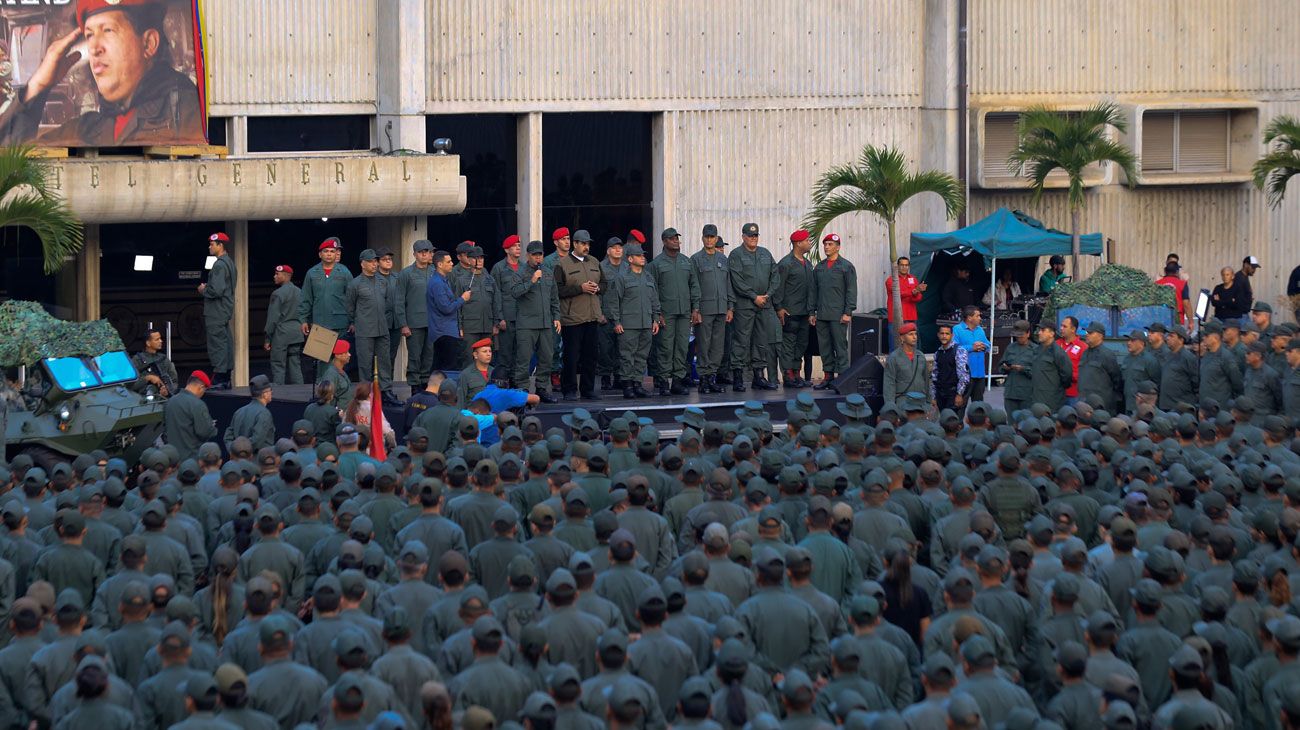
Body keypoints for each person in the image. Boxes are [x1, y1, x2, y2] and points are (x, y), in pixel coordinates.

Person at [0, 0, 203, 146]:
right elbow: (11, 167)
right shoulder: (87, 129)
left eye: (108, 31)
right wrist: (37, 86)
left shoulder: (186, 111)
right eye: (89, 35)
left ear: (148, 44)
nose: (94, 48)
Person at [553, 229, 605, 400]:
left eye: (588, 243)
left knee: (590, 356)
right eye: (583, 243)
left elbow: (605, 284)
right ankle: (569, 390)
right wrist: (579, 288)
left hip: (592, 316)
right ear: (575, 244)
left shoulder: (595, 262)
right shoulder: (562, 264)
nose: (586, 246)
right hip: (572, 318)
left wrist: (598, 288)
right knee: (571, 357)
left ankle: (588, 389)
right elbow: (558, 290)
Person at [728, 222, 780, 392]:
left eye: (756, 236)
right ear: (743, 237)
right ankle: (738, 377)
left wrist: (767, 295)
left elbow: (775, 275)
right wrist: (753, 296)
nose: (753, 238)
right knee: (741, 341)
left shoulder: (765, 253)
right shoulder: (736, 255)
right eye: (750, 236)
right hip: (745, 305)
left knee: (760, 341)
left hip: (764, 304)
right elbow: (736, 280)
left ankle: (759, 376)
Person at [649, 228, 701, 396]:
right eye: (672, 239)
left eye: (677, 238)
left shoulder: (686, 262)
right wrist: (657, 314)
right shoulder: (656, 264)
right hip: (667, 313)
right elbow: (652, 291)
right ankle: (663, 381)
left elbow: (694, 285)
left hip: (684, 312)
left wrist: (695, 308)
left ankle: (677, 381)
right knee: (665, 348)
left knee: (681, 347)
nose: (676, 241)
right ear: (664, 241)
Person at [509, 240, 561, 403]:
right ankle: (523, 389)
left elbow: (554, 297)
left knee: (547, 357)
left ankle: (541, 388)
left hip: (545, 323)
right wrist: (531, 281)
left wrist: (557, 317)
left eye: (540, 255)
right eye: (535, 255)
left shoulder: (547, 272)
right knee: (523, 358)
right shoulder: (520, 273)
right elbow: (515, 292)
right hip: (527, 324)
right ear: (528, 255)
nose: (538, 258)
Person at [608, 243, 661, 399]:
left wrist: (656, 319)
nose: (642, 258)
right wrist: (616, 322)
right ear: (630, 259)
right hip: (628, 324)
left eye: (643, 255)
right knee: (627, 356)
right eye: (638, 256)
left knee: (641, 356)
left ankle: (637, 384)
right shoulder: (622, 278)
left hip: (646, 323)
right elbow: (614, 301)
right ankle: (627, 385)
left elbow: (654, 300)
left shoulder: (648, 277)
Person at [299, 237, 354, 379]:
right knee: (321, 360)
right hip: (320, 323)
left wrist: (353, 321)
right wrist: (303, 320)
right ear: (320, 254)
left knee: (340, 358)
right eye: (326, 251)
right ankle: (322, 390)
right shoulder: (312, 273)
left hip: (340, 323)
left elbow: (352, 298)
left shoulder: (344, 272)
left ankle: (339, 388)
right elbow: (306, 298)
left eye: (332, 251)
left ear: (336, 253)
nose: (329, 254)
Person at [346, 249, 395, 403]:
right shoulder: (355, 284)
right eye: (371, 262)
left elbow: (387, 302)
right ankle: (365, 394)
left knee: (385, 362)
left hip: (382, 328)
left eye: (375, 261)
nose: (374, 265)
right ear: (362, 263)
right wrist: (355, 322)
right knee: (365, 364)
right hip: (365, 329)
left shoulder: (382, 281)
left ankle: (385, 391)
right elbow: (349, 307)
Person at [810, 232, 856, 390]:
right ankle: (828, 377)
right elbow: (813, 291)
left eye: (830, 244)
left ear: (838, 247)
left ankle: (843, 378)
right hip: (822, 314)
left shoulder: (846, 266)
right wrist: (812, 312)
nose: (826, 247)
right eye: (825, 244)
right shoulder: (819, 267)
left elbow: (851, 290)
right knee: (825, 347)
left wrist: (848, 312)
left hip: (838, 315)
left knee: (840, 346)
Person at [692, 224, 733, 394]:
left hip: (721, 308)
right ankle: (703, 379)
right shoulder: (695, 259)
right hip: (704, 309)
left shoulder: (723, 259)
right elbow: (694, 285)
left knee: (718, 346)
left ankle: (712, 377)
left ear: (716, 239)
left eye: (712, 237)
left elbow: (728, 284)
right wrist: (695, 309)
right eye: (706, 237)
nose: (709, 240)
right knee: (704, 344)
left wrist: (731, 307)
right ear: (702, 238)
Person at [771, 229, 814, 389]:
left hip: (804, 312)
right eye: (807, 240)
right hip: (790, 312)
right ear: (798, 243)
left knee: (801, 345)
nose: (809, 243)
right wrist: (779, 308)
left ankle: (796, 373)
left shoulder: (807, 264)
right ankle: (788, 374)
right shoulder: (785, 264)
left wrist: (811, 312)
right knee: (788, 345)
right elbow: (778, 287)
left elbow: (811, 289)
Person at [395, 240, 437, 388]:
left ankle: (426, 388)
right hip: (414, 323)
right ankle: (414, 388)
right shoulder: (406, 274)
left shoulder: (435, 271)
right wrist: (403, 324)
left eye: (429, 251)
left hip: (432, 323)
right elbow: (399, 301)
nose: (426, 254)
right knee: (414, 358)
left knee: (429, 357)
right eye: (422, 252)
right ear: (415, 254)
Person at [456, 245, 504, 370]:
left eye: (482, 258)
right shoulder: (462, 280)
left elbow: (496, 302)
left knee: (487, 357)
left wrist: (496, 323)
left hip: (487, 325)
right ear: (470, 260)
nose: (480, 261)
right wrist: (459, 326)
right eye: (476, 258)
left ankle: (485, 384)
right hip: (470, 327)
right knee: (468, 357)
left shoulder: (489, 279)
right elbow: (458, 305)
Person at [200, 232, 236, 390]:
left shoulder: (220, 264)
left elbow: (217, 290)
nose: (210, 247)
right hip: (224, 310)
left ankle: (219, 377)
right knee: (226, 341)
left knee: (217, 344)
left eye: (212, 244)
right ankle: (226, 375)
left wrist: (204, 289)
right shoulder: (229, 262)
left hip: (216, 311)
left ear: (220, 245)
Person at [426, 250, 472, 372]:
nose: (452, 263)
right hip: (444, 332)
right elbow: (446, 308)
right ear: (440, 265)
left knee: (441, 366)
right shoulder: (437, 283)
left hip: (447, 330)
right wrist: (462, 299)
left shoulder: (443, 280)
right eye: (449, 261)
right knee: (448, 367)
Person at [598, 235, 631, 391]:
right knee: (605, 349)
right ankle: (605, 376)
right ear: (608, 251)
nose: (618, 250)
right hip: (606, 314)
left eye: (620, 247)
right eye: (614, 248)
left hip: (624, 315)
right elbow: (596, 293)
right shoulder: (601, 268)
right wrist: (598, 313)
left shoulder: (627, 267)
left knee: (622, 348)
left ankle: (619, 376)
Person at [264, 265, 305, 386]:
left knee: (278, 365)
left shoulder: (277, 294)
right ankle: (300, 392)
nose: (275, 276)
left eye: (277, 274)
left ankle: (279, 394)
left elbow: (272, 319)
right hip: (297, 333)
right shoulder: (300, 292)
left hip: (281, 334)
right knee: (295, 364)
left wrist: (268, 338)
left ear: (286, 276)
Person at [163, 371, 218, 461]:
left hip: (172, 460)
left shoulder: (169, 402)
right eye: (205, 390)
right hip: (191, 459)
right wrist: (213, 428)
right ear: (201, 387)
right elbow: (204, 432)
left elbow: (165, 429)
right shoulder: (198, 404)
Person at [1077, 322, 1122, 413]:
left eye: (1090, 333)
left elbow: (1117, 380)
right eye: (1087, 333)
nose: (1087, 335)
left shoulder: (1107, 355)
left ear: (1100, 336)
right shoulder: (1085, 353)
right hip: (1084, 403)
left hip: (1101, 405)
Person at [224, 375, 275, 453]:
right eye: (270, 390)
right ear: (264, 394)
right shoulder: (264, 413)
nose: (271, 393)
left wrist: (235, 453)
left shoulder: (239, 411)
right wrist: (243, 452)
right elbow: (257, 440)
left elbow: (227, 438)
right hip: (256, 461)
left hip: (237, 461)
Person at [883, 323, 930, 406]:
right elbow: (889, 384)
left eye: (915, 334)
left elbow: (926, 381)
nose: (914, 337)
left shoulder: (920, 356)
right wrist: (890, 407)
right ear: (902, 338)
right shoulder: (894, 357)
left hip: (921, 400)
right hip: (903, 401)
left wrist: (929, 401)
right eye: (910, 334)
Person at [952, 306, 992, 403]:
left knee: (978, 406)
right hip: (964, 375)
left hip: (980, 374)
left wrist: (983, 346)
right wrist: (971, 348)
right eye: (977, 316)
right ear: (969, 318)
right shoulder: (957, 329)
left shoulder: (980, 330)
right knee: (961, 405)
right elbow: (954, 348)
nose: (980, 318)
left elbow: (989, 345)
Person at [1031, 322, 1074, 411]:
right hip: (1035, 398)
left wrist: (1055, 388)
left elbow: (1067, 375)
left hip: (1052, 400)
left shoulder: (1058, 352)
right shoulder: (1036, 350)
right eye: (1039, 330)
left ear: (1052, 334)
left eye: (1043, 330)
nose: (1039, 333)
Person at [930, 323, 970, 413]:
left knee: (952, 422)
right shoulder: (938, 353)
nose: (944, 336)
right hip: (940, 394)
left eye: (947, 334)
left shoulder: (959, 351)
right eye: (942, 333)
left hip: (953, 393)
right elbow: (934, 376)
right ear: (938, 335)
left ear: (952, 335)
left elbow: (963, 375)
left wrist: (959, 394)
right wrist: (933, 396)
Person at [1158, 325, 1199, 410]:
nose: (1168, 338)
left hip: (1181, 407)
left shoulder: (1188, 358)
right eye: (1168, 335)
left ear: (1181, 340)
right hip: (1165, 406)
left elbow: (1196, 383)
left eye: (1171, 336)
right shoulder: (1166, 356)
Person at [1120, 329, 1161, 414]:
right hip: (1128, 405)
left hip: (1143, 408)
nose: (1129, 343)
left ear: (1142, 343)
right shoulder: (1127, 359)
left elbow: (1157, 383)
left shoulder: (1150, 360)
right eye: (1128, 340)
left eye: (1133, 340)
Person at [1000, 320, 1035, 414]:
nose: (1019, 338)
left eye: (1021, 336)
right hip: (1011, 393)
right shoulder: (1010, 347)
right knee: (1011, 423)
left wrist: (1023, 369)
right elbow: (1001, 366)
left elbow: (1038, 372)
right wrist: (1005, 368)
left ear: (1028, 334)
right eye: (1017, 336)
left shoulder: (1035, 349)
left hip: (1027, 394)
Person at [131, 328, 178, 398]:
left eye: (160, 338)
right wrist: (148, 378)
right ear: (148, 343)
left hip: (164, 399)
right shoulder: (137, 360)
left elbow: (174, 381)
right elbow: (131, 385)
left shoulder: (163, 359)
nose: (161, 341)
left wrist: (167, 390)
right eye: (157, 339)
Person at [886, 256, 926, 323]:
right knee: (896, 334)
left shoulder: (913, 279)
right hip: (896, 318)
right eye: (902, 265)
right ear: (897, 266)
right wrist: (914, 291)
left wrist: (916, 293)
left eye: (906, 265)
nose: (904, 267)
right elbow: (898, 294)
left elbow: (918, 298)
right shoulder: (891, 280)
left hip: (911, 316)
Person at [1056, 316, 1087, 404]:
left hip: (1074, 395)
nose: (1061, 328)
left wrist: (1067, 375)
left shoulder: (1083, 347)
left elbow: (1084, 373)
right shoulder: (1056, 345)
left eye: (1065, 326)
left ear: (1073, 329)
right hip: (1057, 392)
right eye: (1061, 326)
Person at [458, 338, 495, 408]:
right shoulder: (466, 374)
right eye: (484, 351)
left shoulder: (495, 372)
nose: (488, 354)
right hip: (473, 415)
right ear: (475, 355)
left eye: (490, 351)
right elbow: (460, 400)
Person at [1155, 263, 1192, 328]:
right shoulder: (1182, 284)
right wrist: (1191, 322)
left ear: (1165, 271)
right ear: (1177, 272)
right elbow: (1186, 304)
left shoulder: (1157, 284)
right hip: (1177, 320)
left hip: (1160, 319)